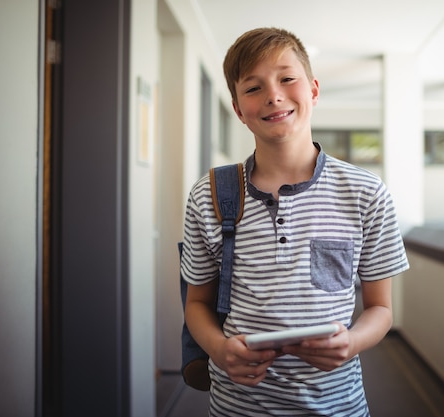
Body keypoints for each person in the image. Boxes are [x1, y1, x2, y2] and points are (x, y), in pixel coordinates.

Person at [180, 27, 409, 416]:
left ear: (314, 90)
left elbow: (381, 309)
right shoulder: (209, 195)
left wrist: (351, 342)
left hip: (338, 405)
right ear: (238, 110)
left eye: (287, 78)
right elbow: (196, 302)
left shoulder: (365, 192)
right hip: (238, 406)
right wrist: (220, 350)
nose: (273, 95)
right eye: (253, 88)